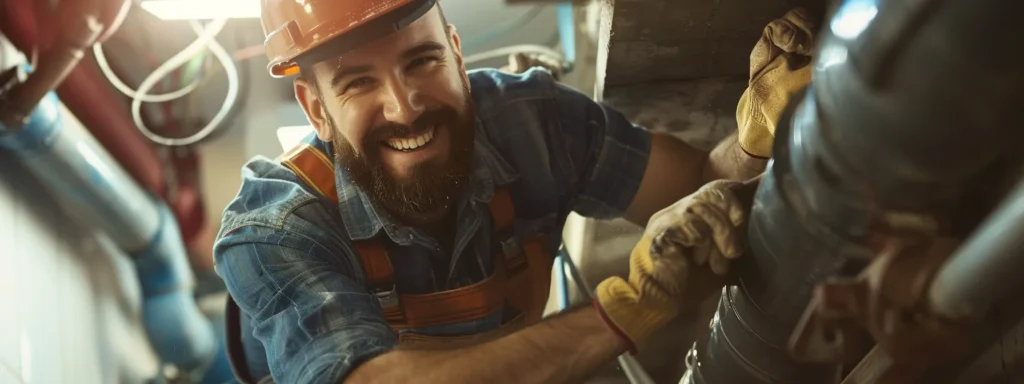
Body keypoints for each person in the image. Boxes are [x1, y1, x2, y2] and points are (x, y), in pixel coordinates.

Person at [214, 1, 807, 383]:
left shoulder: (531, 123)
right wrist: (625, 308)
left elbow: (698, 186)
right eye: (358, 83)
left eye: (422, 61)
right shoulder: (275, 229)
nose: (405, 106)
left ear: (455, 51)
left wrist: (755, 136)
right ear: (315, 108)